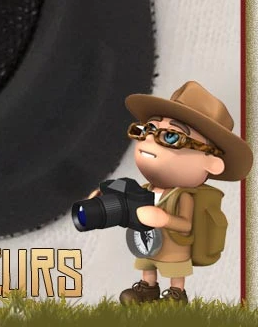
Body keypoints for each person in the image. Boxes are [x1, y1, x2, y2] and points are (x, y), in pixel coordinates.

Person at [107, 81, 253, 305]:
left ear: (211, 163)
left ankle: (176, 293)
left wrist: (163, 219)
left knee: (174, 269)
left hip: (174, 247)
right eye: (147, 130)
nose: (148, 140)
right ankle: (148, 288)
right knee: (147, 265)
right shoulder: (144, 190)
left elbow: (185, 224)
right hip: (145, 242)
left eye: (171, 137)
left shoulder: (183, 196)